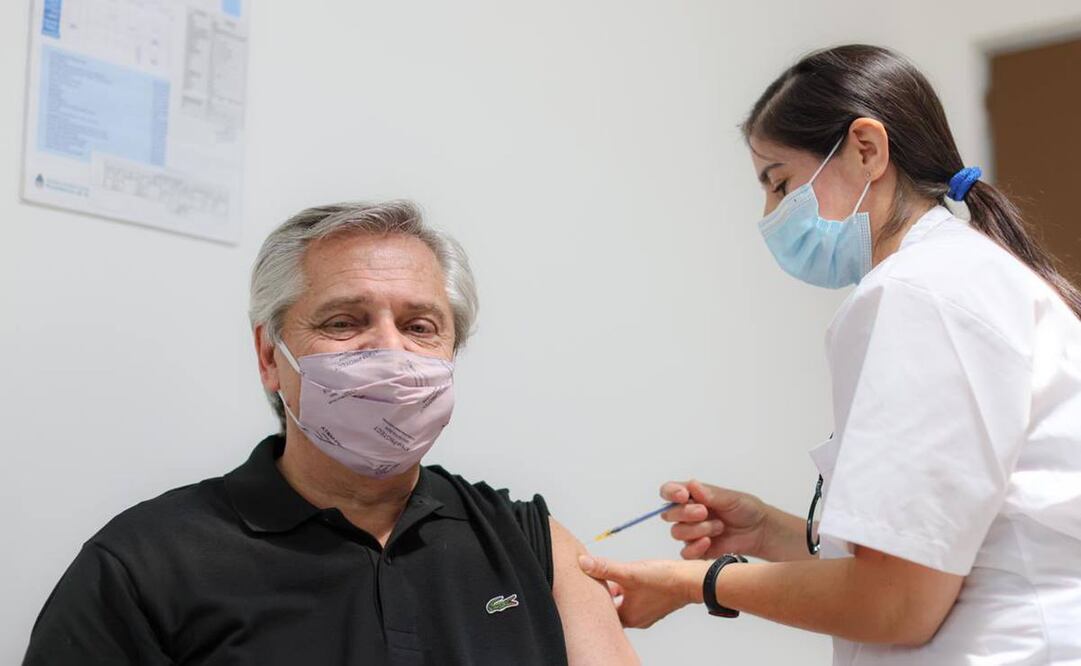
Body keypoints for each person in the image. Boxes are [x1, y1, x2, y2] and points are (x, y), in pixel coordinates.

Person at [579, 44, 1081, 664]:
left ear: (866, 149)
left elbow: (897, 603)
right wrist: (772, 532)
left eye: (780, 183)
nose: (770, 215)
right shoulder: (963, 277)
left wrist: (693, 583)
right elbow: (939, 553)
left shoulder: (918, 294)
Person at [24, 201, 639, 666]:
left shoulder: (531, 545)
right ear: (270, 356)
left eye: (420, 326)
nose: (390, 351)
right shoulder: (143, 565)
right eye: (344, 322)